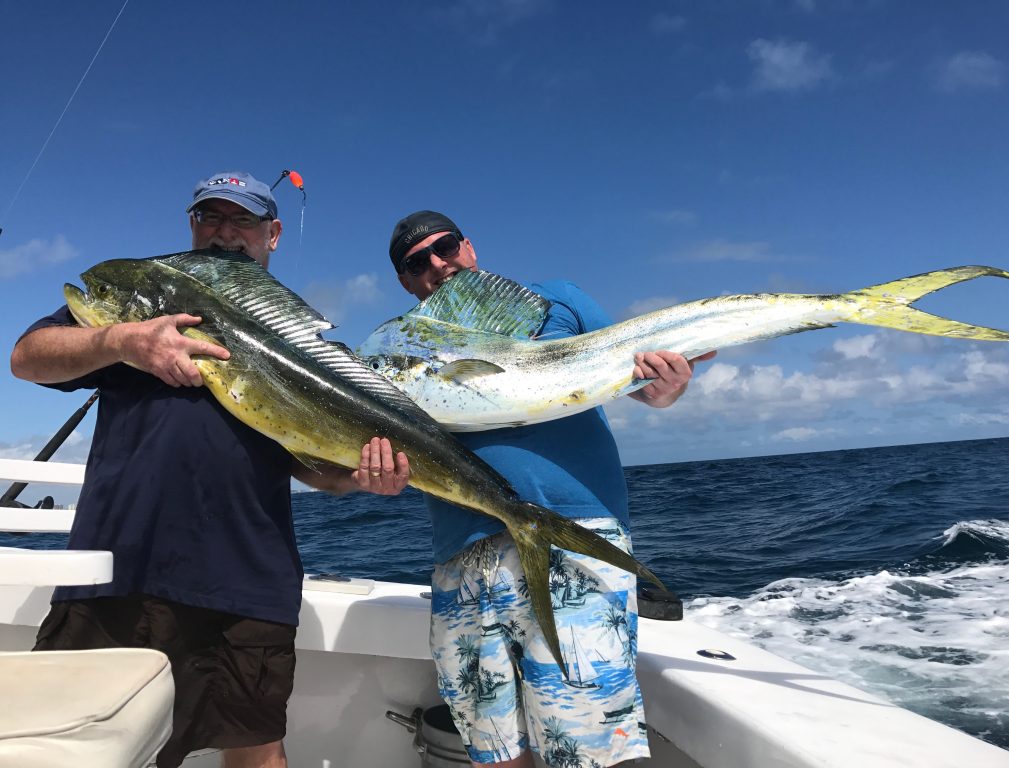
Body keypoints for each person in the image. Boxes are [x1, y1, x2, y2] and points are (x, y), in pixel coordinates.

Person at [9, 171, 409, 768]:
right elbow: (27, 357)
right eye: (209, 218)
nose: (224, 233)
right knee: (74, 744)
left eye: (241, 220)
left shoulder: (303, 349)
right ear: (191, 226)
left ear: (273, 234)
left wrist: (362, 475)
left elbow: (317, 470)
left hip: (247, 577)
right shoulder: (145, 306)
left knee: (255, 750)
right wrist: (122, 340)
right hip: (118, 568)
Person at [387, 210, 715, 768]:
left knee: (586, 746)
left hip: (574, 533)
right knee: (491, 745)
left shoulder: (559, 299)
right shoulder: (400, 345)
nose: (438, 265)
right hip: (462, 553)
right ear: (405, 281)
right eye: (418, 262)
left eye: (445, 248)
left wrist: (666, 387)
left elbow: (641, 387)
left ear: (469, 245)